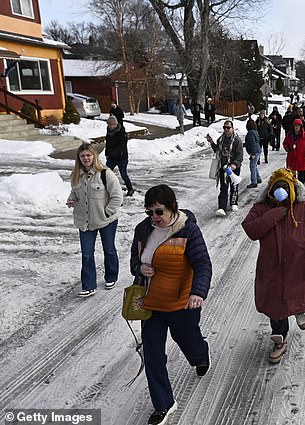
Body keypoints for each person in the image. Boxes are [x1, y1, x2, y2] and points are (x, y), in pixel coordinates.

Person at [130, 184, 212, 425]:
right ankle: (164, 405)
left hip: (181, 304)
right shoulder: (143, 229)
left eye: (159, 212)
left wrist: (198, 292)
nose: (154, 218)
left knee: (189, 342)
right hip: (152, 304)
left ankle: (200, 356)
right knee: (153, 356)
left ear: (172, 208)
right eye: (149, 212)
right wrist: (140, 268)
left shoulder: (189, 231)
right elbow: (134, 261)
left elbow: (203, 264)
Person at [241, 168, 305, 363]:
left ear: (293, 188)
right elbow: (250, 229)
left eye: (285, 187)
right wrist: (275, 214)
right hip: (271, 269)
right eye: (277, 187)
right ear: (270, 189)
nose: (281, 191)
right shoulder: (262, 208)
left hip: (299, 267)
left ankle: (298, 311)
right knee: (275, 304)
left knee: (295, 294)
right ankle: (279, 340)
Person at [66, 143, 123, 297]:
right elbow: (74, 194)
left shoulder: (105, 173)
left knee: (109, 249)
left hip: (106, 220)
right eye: (83, 156)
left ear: (94, 156)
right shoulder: (76, 176)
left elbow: (118, 196)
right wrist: (71, 200)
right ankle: (89, 285)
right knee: (86, 254)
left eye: (89, 155)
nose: (86, 158)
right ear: (79, 158)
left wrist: (106, 212)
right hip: (84, 221)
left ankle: (111, 276)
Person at [206, 120, 243, 216]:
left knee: (234, 186)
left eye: (228, 128)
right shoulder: (220, 140)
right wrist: (211, 142)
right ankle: (222, 207)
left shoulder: (237, 141)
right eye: (224, 128)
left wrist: (234, 165)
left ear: (232, 128)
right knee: (223, 187)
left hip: (233, 168)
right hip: (223, 167)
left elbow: (240, 155)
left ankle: (234, 202)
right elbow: (217, 151)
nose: (226, 130)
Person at [105, 115, 134, 197]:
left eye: (112, 125)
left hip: (122, 157)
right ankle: (106, 190)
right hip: (111, 157)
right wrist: (107, 153)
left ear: (116, 124)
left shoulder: (122, 132)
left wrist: (114, 153)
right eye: (109, 125)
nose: (111, 126)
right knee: (105, 173)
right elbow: (107, 143)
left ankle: (130, 189)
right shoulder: (108, 132)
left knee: (123, 174)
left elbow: (122, 146)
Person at [282, 118, 305, 185]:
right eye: (295, 125)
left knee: (301, 180)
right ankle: (292, 192)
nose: (297, 127)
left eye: (298, 126)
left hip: (301, 161)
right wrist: (286, 147)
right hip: (291, 160)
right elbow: (285, 143)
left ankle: (301, 192)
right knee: (291, 179)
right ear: (293, 126)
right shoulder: (289, 135)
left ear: (301, 127)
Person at [245, 119, 262, 188]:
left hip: (254, 151)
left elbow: (252, 143)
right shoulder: (255, 131)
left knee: (252, 166)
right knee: (254, 165)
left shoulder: (250, 133)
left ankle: (254, 182)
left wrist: (252, 153)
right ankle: (258, 178)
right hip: (257, 150)